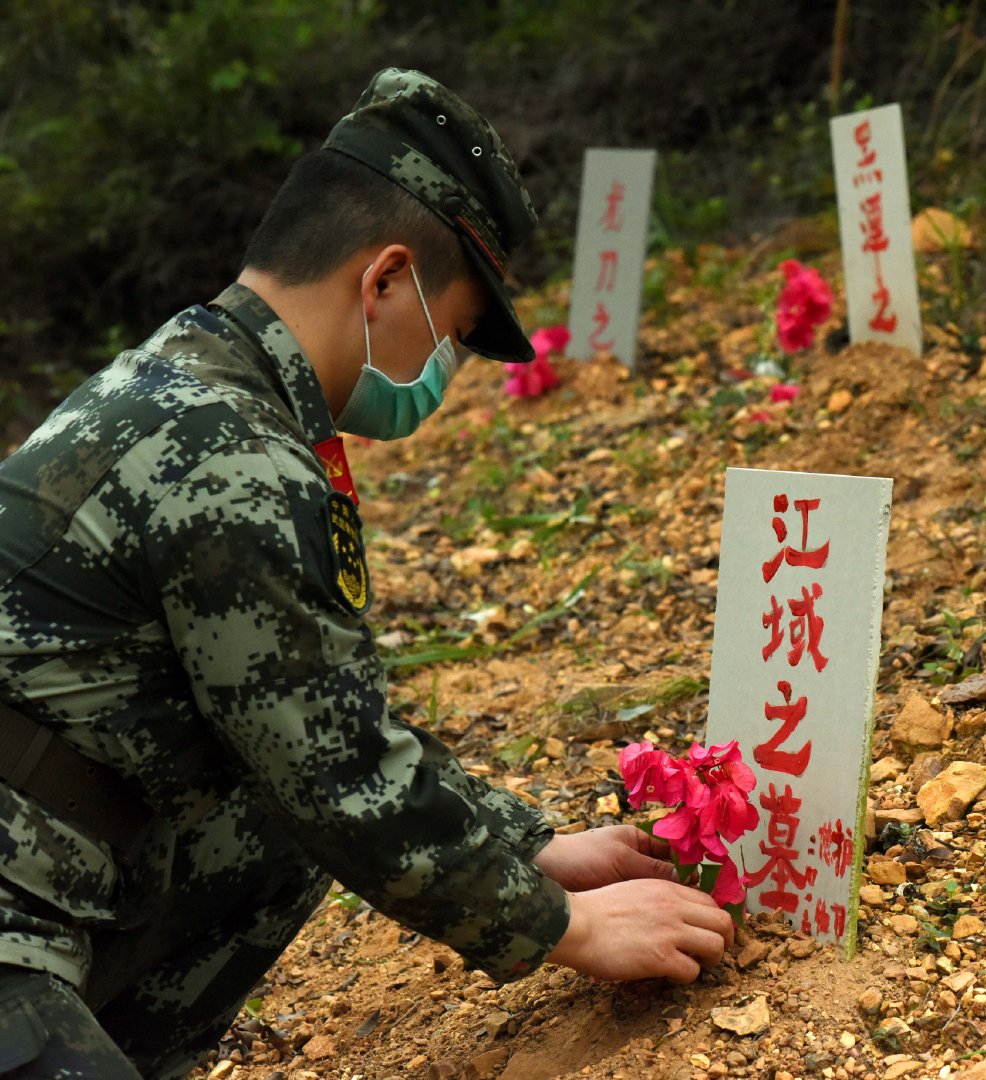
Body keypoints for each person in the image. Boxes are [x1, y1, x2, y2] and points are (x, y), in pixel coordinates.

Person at [0, 69, 733, 1078]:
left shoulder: (183, 379)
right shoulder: (229, 456)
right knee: (295, 808)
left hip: (43, 867)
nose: (446, 369)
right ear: (384, 279)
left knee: (267, 821)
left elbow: (317, 718)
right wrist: (569, 927)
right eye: (451, 333)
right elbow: (340, 781)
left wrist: (531, 845)